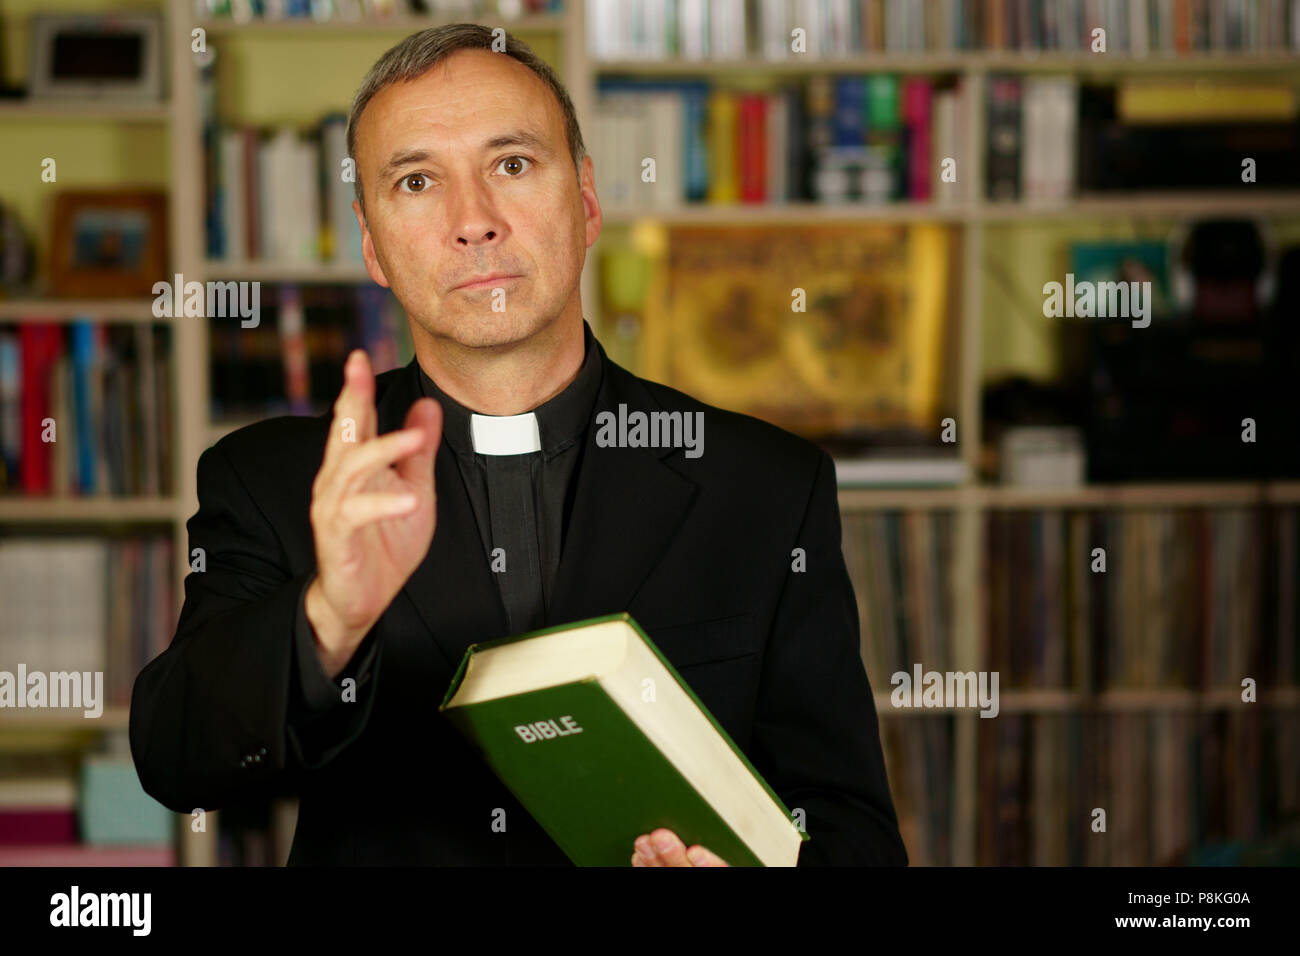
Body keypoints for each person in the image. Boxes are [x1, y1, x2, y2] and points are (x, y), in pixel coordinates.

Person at [129, 24, 907, 867]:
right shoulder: (274, 479)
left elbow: (850, 832)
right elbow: (177, 760)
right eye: (418, 180)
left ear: (587, 201)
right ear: (370, 242)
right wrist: (329, 619)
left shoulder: (766, 487)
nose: (474, 222)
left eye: (511, 164)